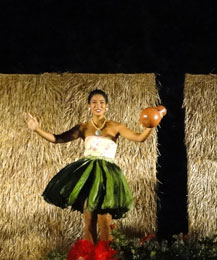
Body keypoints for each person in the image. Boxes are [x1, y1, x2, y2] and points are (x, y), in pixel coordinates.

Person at [24, 89, 155, 243]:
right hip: (88, 175)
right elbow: (57, 139)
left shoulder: (116, 126)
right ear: (89, 106)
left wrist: (151, 125)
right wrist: (37, 129)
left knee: (105, 221)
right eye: (94, 102)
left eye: (101, 102)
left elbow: (139, 138)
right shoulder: (83, 127)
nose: (97, 105)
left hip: (107, 176)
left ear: (107, 106)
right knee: (89, 218)